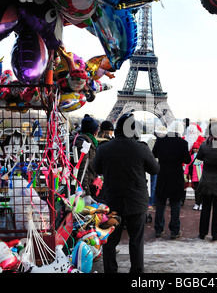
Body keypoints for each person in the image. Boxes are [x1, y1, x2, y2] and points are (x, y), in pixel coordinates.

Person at [93, 113, 160, 273]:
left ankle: (110, 270)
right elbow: (155, 169)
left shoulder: (104, 148)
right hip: (136, 202)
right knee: (136, 241)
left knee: (110, 241)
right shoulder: (141, 148)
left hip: (113, 200)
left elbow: (97, 169)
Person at [152, 120, 191, 239]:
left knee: (160, 203)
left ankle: (158, 229)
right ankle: (175, 230)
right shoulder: (183, 143)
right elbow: (187, 160)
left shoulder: (160, 141)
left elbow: (154, 154)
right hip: (176, 176)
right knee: (175, 204)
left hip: (162, 174)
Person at [196, 119, 217, 241]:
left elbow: (199, 157)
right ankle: (216, 233)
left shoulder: (204, 146)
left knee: (205, 207)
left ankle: (202, 233)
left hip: (207, 179)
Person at [72, 116, 100, 201]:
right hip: (81, 191)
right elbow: (82, 169)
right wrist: (86, 192)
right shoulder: (84, 143)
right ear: (95, 132)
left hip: (80, 187)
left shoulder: (81, 140)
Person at [184, 141, 203, 210]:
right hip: (194, 177)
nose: (195, 149)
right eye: (194, 148)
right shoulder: (191, 157)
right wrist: (185, 174)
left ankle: (201, 203)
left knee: (202, 191)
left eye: (197, 148)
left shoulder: (203, 157)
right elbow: (188, 166)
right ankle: (197, 203)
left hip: (202, 177)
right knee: (197, 191)